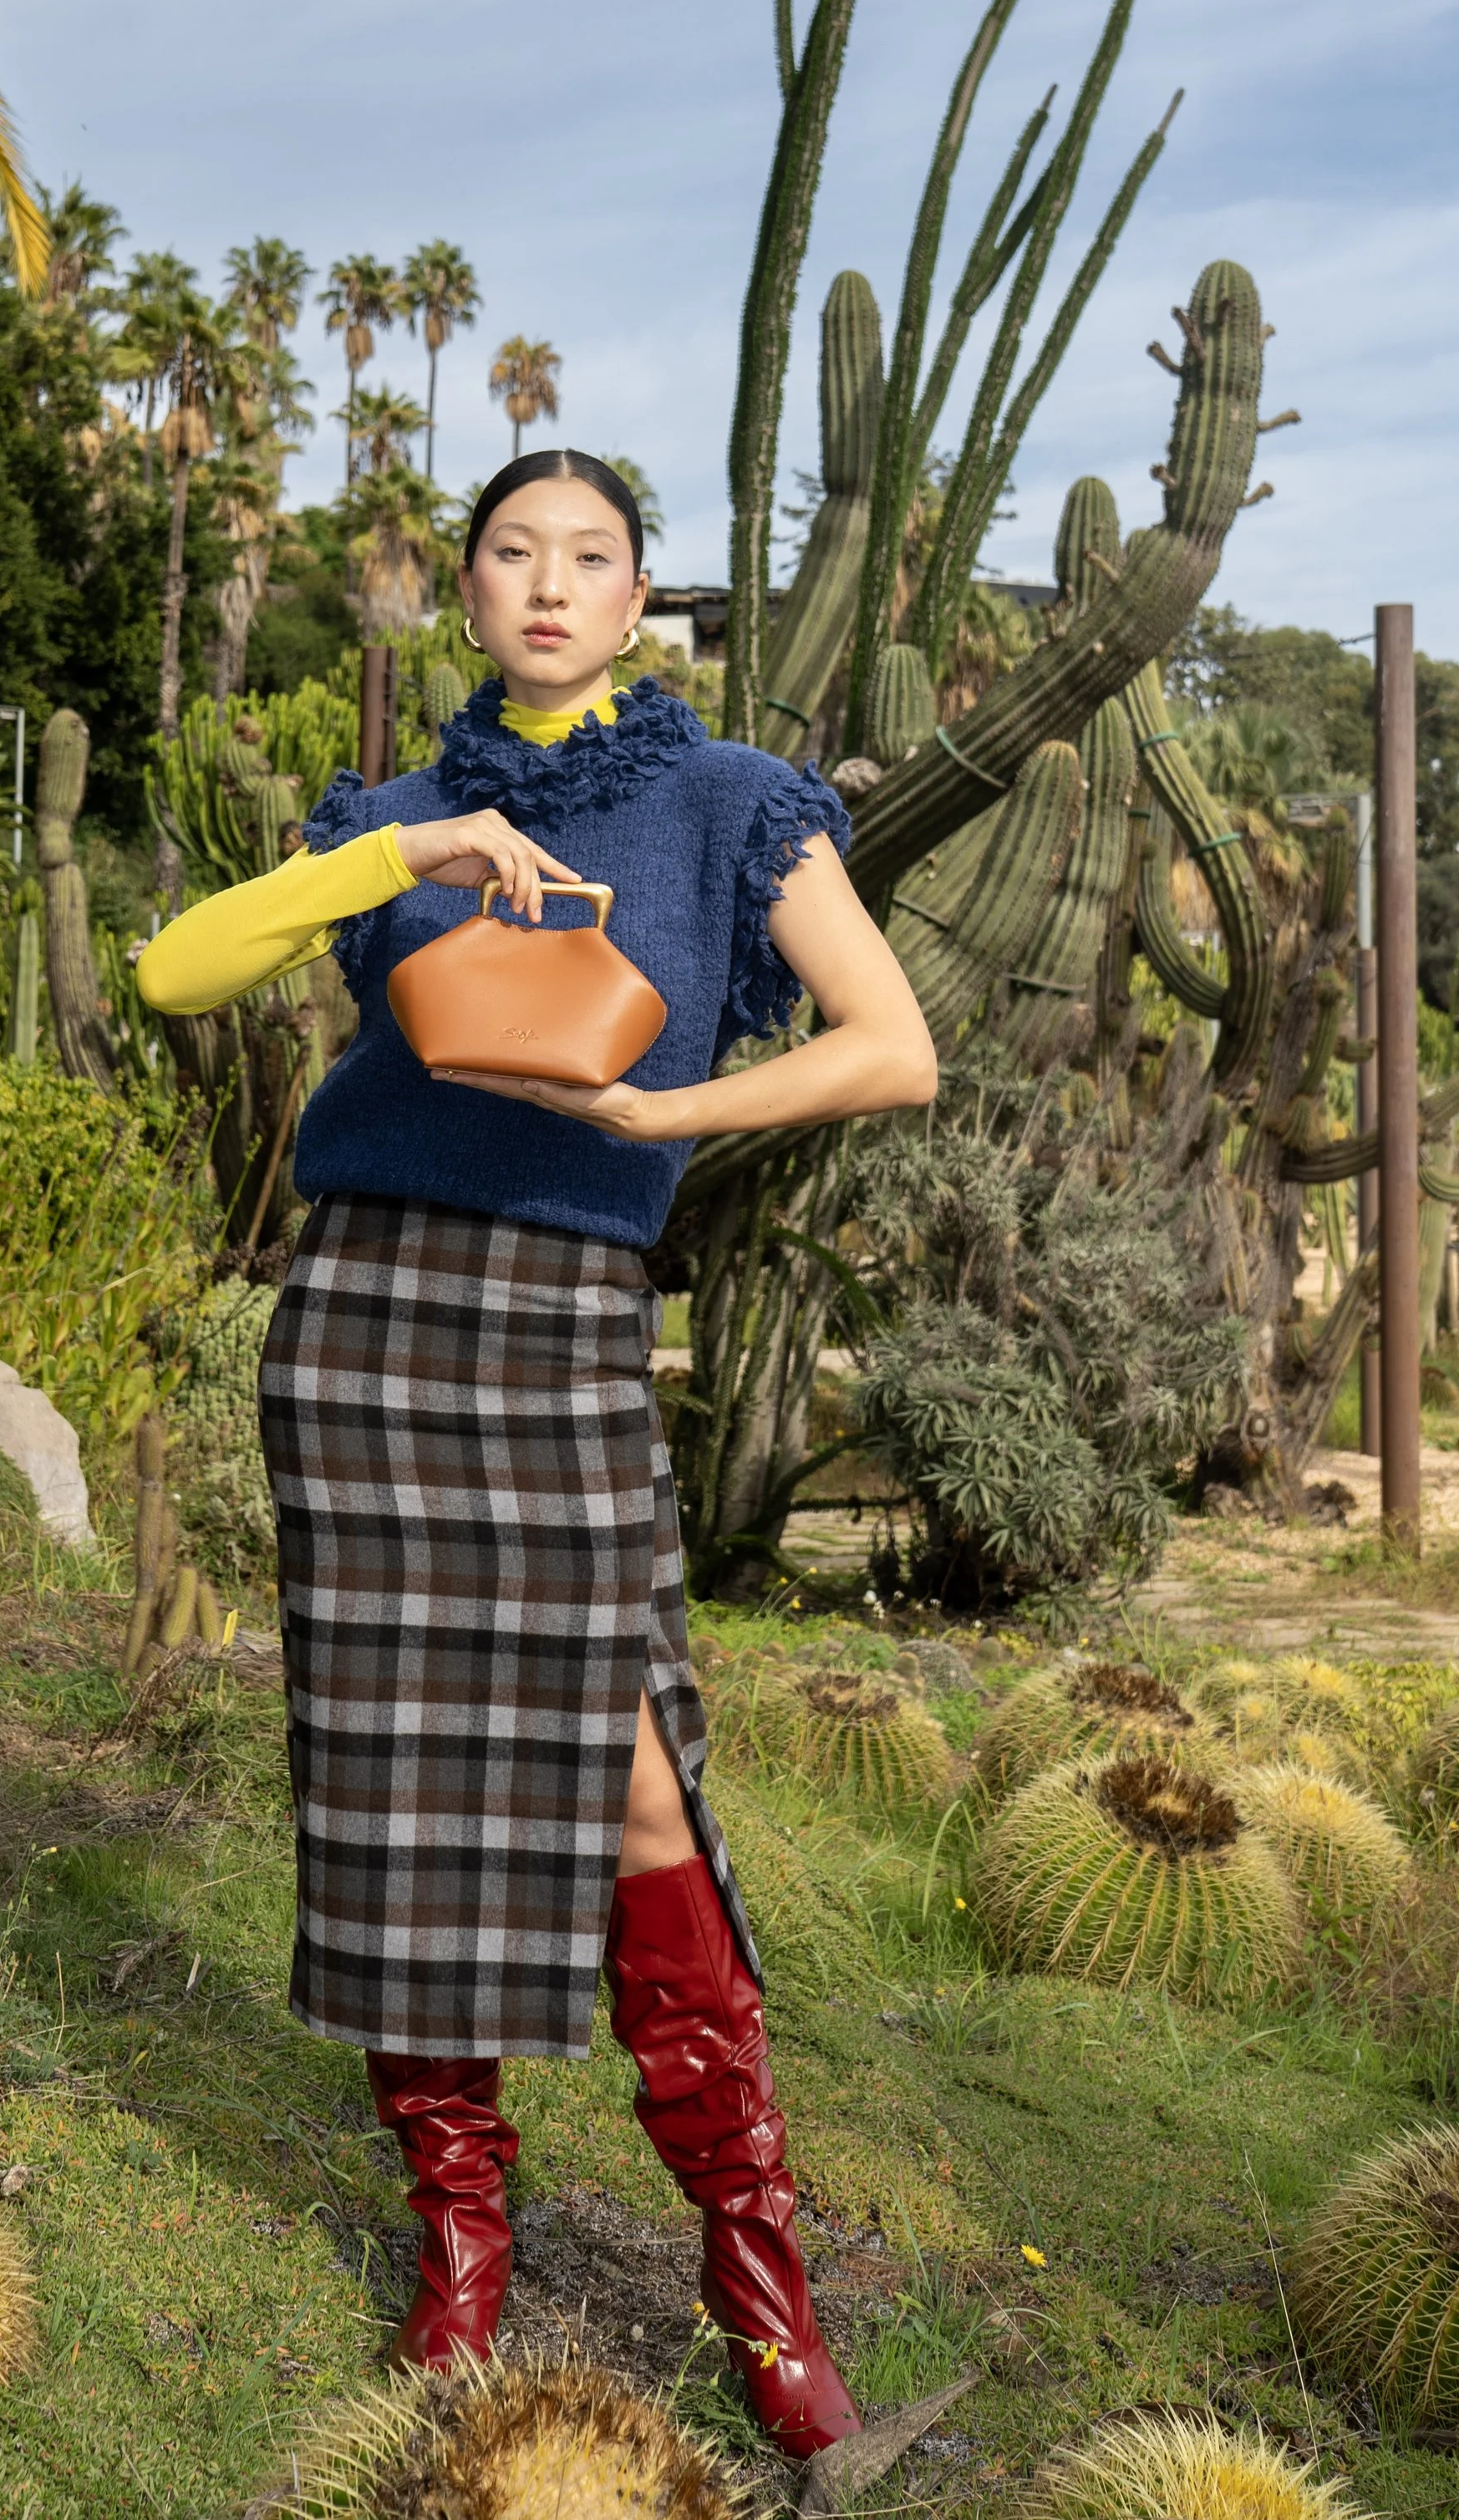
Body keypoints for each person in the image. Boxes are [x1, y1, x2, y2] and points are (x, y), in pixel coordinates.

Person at [135, 449, 936, 2456]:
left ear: (640, 592)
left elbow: (889, 1043)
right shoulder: (391, 815)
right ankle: (457, 2261)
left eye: (589, 556)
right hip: (371, 1332)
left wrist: (681, 1120)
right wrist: (396, 864)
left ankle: (760, 2294)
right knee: (398, 1792)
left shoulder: (727, 798)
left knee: (640, 1797)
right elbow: (171, 970)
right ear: (470, 591)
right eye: (514, 554)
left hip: (565, 1330)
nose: (550, 586)